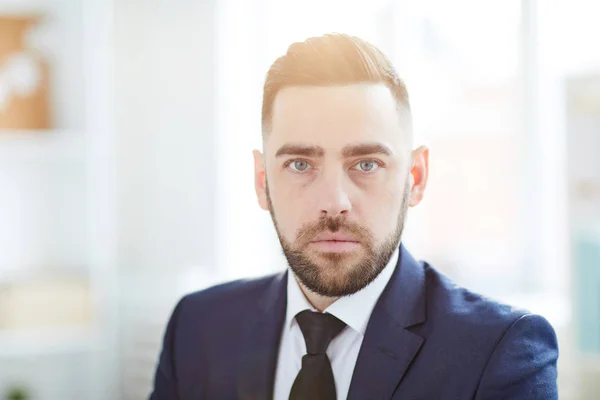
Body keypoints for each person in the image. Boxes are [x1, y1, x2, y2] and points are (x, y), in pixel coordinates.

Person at [149, 33, 558, 400]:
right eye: (299, 164)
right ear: (261, 182)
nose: (334, 201)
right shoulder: (198, 328)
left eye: (366, 164)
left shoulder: (500, 351)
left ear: (415, 178)